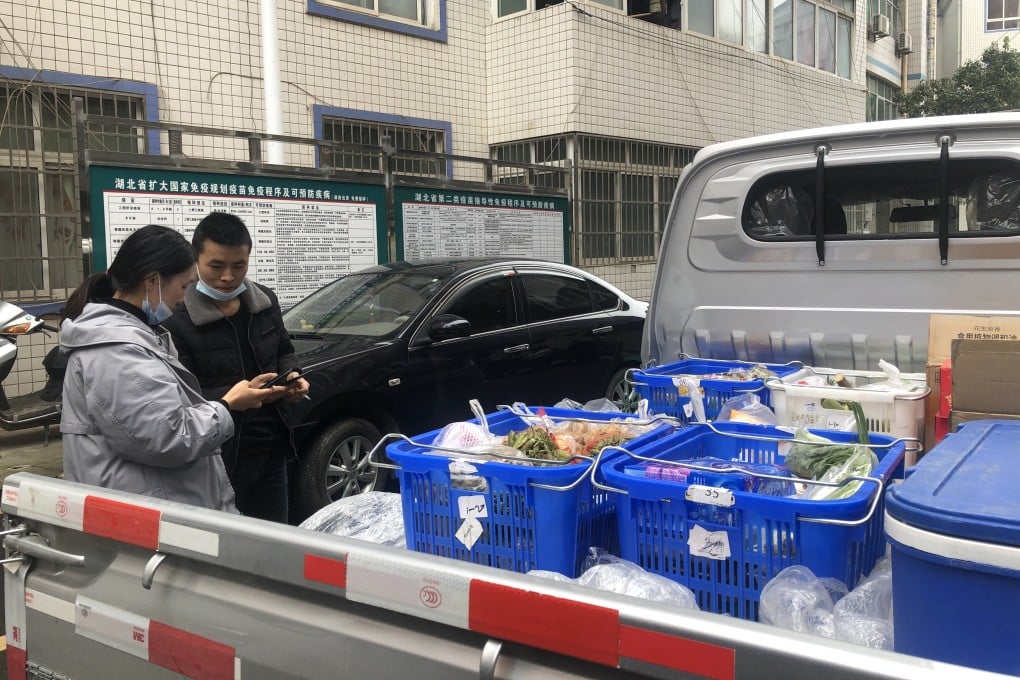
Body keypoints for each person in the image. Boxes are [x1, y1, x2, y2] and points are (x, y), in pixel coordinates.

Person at [60, 224, 284, 512]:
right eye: (183, 286)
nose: (182, 297)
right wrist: (228, 405)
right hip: (141, 514)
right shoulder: (118, 352)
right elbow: (168, 437)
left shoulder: (137, 335)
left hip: (154, 501)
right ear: (152, 280)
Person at [164, 212, 309, 523]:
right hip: (219, 454)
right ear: (196, 260)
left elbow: (284, 350)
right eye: (216, 266)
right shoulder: (177, 318)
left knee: (274, 538)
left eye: (238, 266)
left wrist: (293, 374)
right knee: (225, 544)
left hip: (272, 446)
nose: (228, 276)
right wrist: (234, 400)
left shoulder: (264, 302)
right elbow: (181, 394)